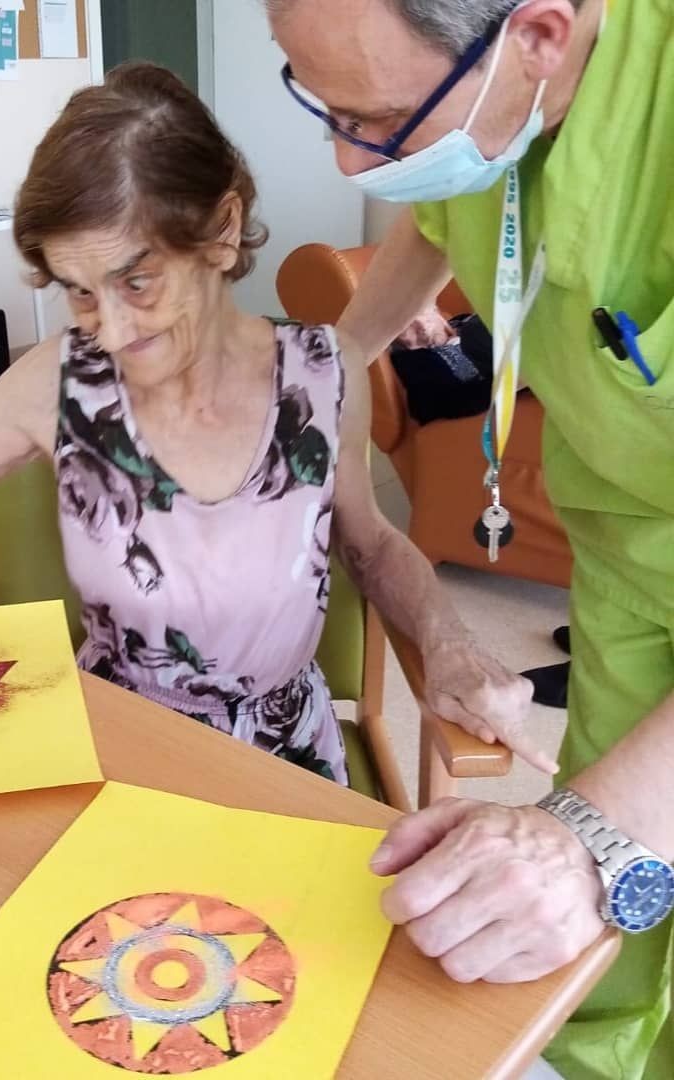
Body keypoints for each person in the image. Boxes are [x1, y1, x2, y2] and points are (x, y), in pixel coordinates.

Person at [0, 62, 548, 791]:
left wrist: (449, 642)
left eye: (137, 281)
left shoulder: (325, 372)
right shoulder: (61, 379)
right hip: (115, 747)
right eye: (79, 292)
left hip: (286, 756)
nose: (111, 328)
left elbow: (371, 545)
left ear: (223, 230)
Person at [268, 0, 674, 1075]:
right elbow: (438, 217)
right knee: (601, 946)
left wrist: (594, 837)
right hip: (630, 558)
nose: (350, 162)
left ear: (540, 35)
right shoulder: (499, 111)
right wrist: (334, 361)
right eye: (324, 108)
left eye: (380, 120)